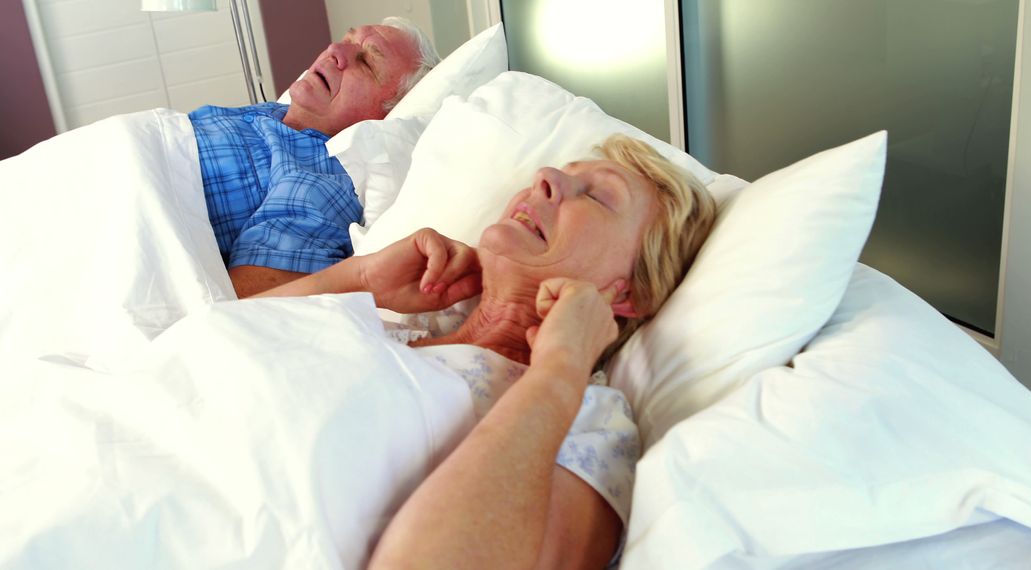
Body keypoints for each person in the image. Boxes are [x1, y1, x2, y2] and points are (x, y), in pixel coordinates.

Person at [255, 134, 721, 567]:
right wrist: (358, 278)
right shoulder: (401, 330)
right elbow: (218, 346)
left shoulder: (589, 421)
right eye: (564, 170)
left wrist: (560, 370)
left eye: (597, 196)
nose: (547, 177)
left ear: (625, 295)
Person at [189, 17, 441, 299]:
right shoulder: (269, 114)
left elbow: (249, 301)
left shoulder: (319, 175)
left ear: (386, 115)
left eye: (367, 63)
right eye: (347, 40)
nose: (335, 50)